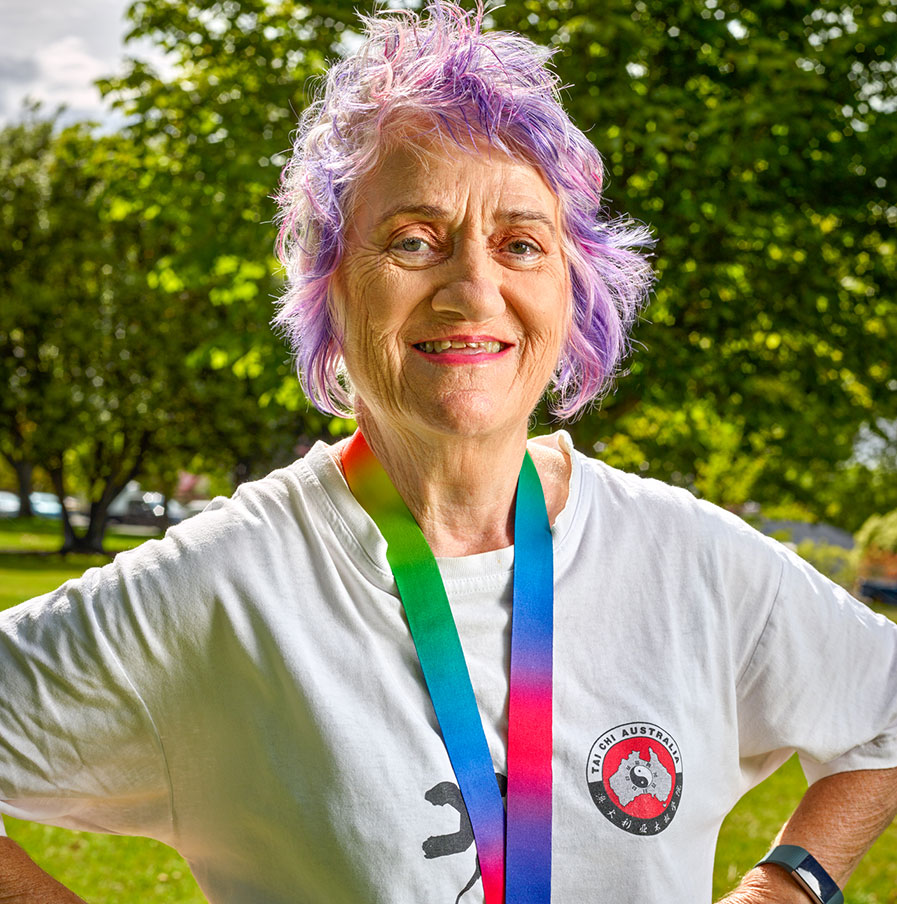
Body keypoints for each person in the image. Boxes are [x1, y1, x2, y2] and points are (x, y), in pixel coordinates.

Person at [2, 3, 897, 903]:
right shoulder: (228, 583)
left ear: (572, 287)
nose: (473, 290)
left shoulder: (687, 561)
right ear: (332, 282)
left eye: (520, 244)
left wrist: (788, 885)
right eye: (414, 241)